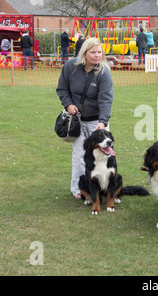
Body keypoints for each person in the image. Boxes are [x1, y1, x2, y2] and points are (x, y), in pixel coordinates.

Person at [56, 38, 113, 199]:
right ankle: (79, 189)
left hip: (97, 120)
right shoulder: (70, 67)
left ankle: (104, 187)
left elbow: (106, 100)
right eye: (93, 52)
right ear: (84, 53)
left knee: (103, 155)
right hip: (78, 120)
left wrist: (103, 122)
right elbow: (62, 88)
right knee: (79, 154)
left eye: (99, 52)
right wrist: (68, 104)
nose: (97, 55)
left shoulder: (103, 72)